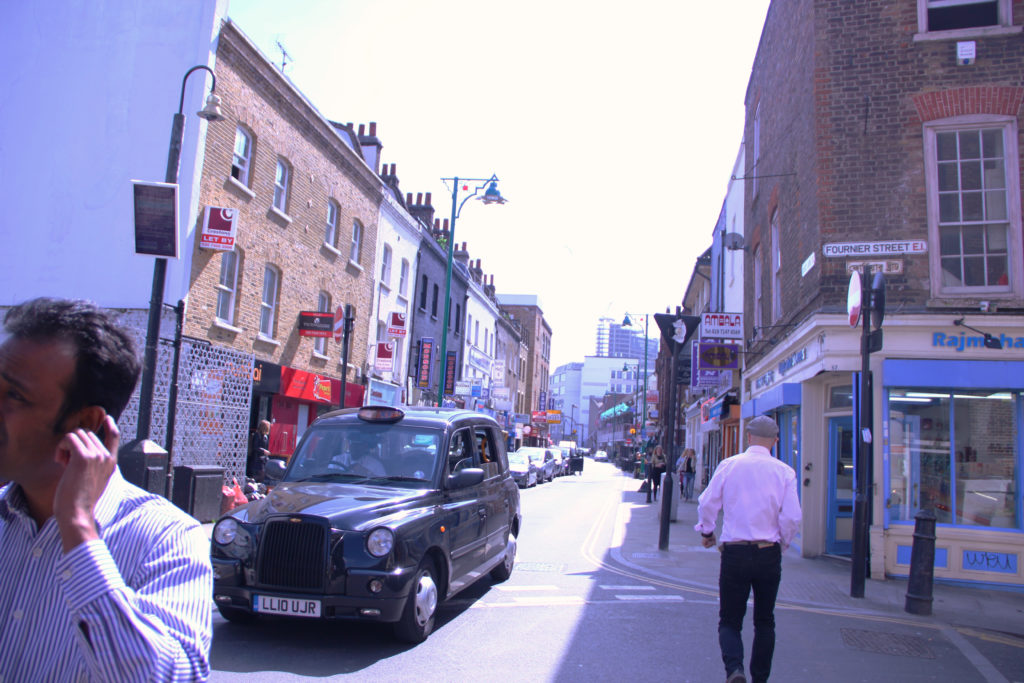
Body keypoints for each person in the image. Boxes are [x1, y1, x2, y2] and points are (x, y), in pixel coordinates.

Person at [0, 298, 213, 680]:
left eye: (14, 396)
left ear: (84, 424)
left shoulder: (166, 539)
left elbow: (167, 676)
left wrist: (78, 529)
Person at [694, 415, 802, 683]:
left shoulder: (730, 465)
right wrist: (782, 545)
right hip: (768, 552)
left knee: (730, 620)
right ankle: (760, 679)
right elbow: (792, 518)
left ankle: (735, 670)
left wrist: (707, 532)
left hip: (735, 552)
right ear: (775, 441)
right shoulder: (785, 472)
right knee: (765, 621)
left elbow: (707, 503)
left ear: (748, 437)